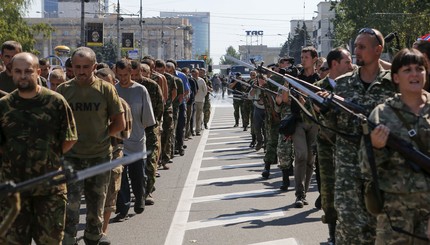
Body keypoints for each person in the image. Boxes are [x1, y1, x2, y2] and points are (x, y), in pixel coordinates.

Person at [0, 52, 77, 244]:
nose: (23, 76)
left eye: (28, 71)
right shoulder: (4, 106)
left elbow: (70, 138)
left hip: (49, 189)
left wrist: (49, 159)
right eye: (18, 71)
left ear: (38, 71)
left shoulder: (56, 102)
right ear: (12, 74)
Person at [329, 28, 397, 244]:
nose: (356, 51)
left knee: (382, 230)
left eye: (362, 47)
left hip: (382, 171)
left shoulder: (393, 85)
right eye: (355, 46)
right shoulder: (342, 83)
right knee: (348, 230)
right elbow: (330, 131)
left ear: (378, 50)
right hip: (348, 171)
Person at [361, 48, 430, 245]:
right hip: (394, 213)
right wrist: (375, 147)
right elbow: (365, 167)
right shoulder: (382, 114)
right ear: (396, 78)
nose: (415, 74)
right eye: (407, 70)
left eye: (419, 69)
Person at [57, 47, 125, 245]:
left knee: (96, 207)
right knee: (71, 205)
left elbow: (119, 123)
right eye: (77, 67)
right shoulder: (64, 90)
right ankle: (69, 240)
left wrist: (101, 136)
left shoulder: (106, 89)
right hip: (71, 158)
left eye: (86, 67)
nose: (81, 71)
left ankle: (93, 238)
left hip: (99, 157)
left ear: (94, 67)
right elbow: (56, 122)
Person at [314, 47, 354, 244]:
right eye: (347, 61)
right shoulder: (317, 87)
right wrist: (318, 108)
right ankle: (332, 232)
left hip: (350, 147)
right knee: (329, 191)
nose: (351, 65)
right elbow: (309, 117)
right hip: (327, 146)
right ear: (334, 64)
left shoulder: (354, 85)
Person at [114, 59, 155, 221]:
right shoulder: (113, 90)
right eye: (120, 75)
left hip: (137, 139)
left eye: (126, 75)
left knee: (138, 175)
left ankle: (139, 198)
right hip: (119, 142)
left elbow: (147, 118)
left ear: (131, 73)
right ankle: (122, 209)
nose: (123, 78)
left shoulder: (141, 90)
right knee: (121, 177)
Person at [95, 67, 132, 243]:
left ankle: (103, 231)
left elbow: (126, 133)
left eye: (106, 82)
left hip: (113, 153)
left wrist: (105, 132)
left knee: (110, 192)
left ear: (112, 82)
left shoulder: (121, 104)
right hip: (89, 155)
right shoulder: (89, 103)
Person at [131, 61, 164, 205]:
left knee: (150, 161)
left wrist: (151, 124)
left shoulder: (151, 86)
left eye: (136, 74)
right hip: (130, 131)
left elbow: (159, 107)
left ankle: (147, 192)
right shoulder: (122, 87)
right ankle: (137, 191)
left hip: (149, 129)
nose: (134, 78)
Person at [291, 46, 320, 208]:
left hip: (314, 123)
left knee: (310, 160)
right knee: (301, 155)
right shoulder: (296, 78)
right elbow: (291, 103)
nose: (303, 60)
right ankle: (299, 194)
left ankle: (305, 192)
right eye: (301, 57)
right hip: (299, 122)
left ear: (314, 59)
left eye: (306, 57)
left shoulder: (319, 79)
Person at [192, 68, 207, 136]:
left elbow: (205, 90)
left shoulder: (201, 81)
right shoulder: (191, 80)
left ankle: (198, 130)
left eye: (195, 74)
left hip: (200, 101)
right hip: (192, 101)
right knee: (192, 116)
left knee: (198, 115)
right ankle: (191, 129)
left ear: (198, 74)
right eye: (193, 74)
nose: (194, 75)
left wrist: (202, 97)